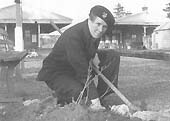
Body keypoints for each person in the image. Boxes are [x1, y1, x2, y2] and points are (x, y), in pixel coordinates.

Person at [37, 5, 120, 111]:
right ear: (89, 19)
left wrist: (93, 56)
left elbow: (87, 52)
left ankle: (104, 95)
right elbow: (83, 72)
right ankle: (62, 96)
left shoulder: (94, 32)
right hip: (57, 73)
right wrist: (94, 100)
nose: (100, 30)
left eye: (104, 27)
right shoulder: (73, 37)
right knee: (81, 95)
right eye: (98, 24)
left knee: (112, 56)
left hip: (76, 68)